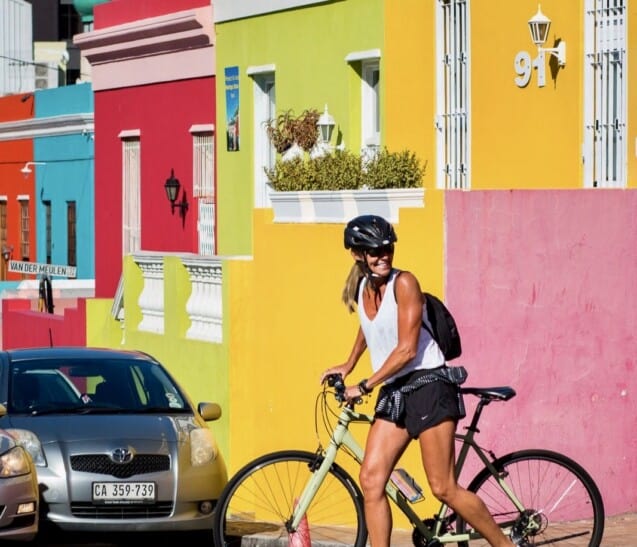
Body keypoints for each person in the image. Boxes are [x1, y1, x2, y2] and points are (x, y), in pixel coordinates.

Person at [320, 215, 516, 547]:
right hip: (397, 390)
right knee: (370, 480)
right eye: (374, 251)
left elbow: (408, 349)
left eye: (387, 249)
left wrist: (365, 385)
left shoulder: (404, 283)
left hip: (429, 386)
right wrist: (348, 364)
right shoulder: (364, 286)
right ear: (357, 254)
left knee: (443, 487)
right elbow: (370, 327)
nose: (383, 256)